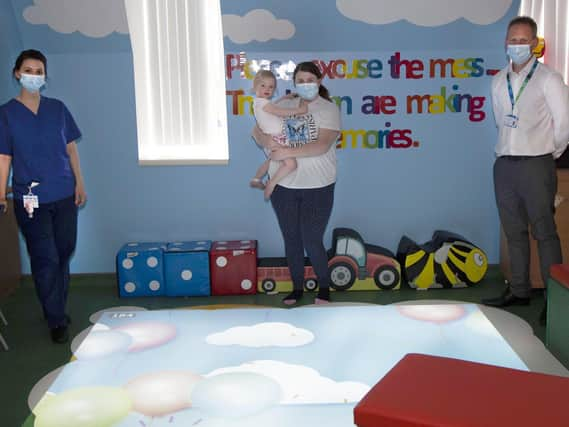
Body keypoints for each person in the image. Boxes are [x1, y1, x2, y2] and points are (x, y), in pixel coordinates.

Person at [482, 17, 569, 325]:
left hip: (537, 164)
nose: (516, 46)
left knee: (545, 233)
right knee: (513, 231)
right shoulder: (497, 80)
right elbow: (499, 121)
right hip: (504, 164)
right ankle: (519, 290)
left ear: (534, 43)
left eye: (522, 40)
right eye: (512, 40)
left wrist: (547, 153)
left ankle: (554, 299)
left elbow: (564, 127)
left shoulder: (549, 79)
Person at [0, 49, 87, 343]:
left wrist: (79, 183)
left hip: (63, 194)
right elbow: (3, 158)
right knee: (45, 258)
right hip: (30, 199)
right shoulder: (7, 114)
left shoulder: (58, 109)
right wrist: (0, 194)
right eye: (28, 70)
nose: (34, 76)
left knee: (64, 252)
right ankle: (55, 319)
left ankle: (56, 307)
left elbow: (71, 149)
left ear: (45, 77)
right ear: (17, 73)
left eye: (39, 72)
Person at [252, 61, 341, 305]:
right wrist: (267, 142)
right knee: (291, 238)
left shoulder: (329, 109)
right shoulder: (286, 105)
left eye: (309, 80)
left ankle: (324, 289)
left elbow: (321, 145)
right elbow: (257, 130)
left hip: (318, 186)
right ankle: (297, 288)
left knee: (312, 239)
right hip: (284, 187)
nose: (305, 85)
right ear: (294, 84)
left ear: (319, 81)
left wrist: (286, 152)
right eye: (300, 81)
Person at [250, 69, 307, 199]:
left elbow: (273, 106)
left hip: (275, 137)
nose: (267, 89)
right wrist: (299, 110)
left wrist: (284, 98)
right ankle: (271, 183)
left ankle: (256, 179)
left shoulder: (259, 102)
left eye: (271, 87)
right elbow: (278, 111)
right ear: (255, 87)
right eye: (263, 85)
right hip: (276, 138)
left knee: (271, 161)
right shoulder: (263, 103)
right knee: (291, 164)